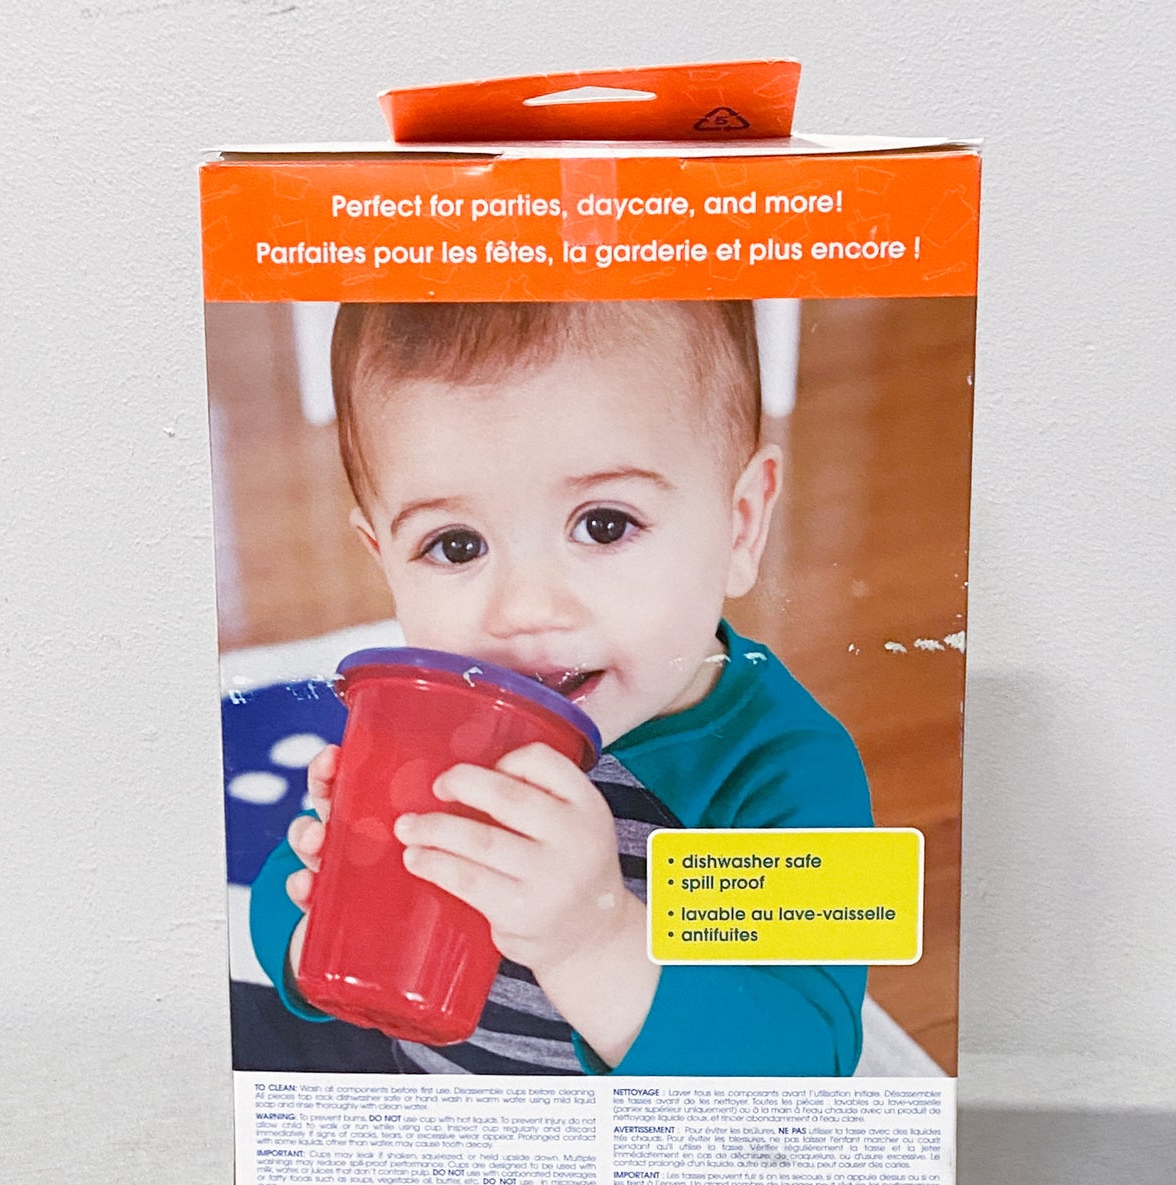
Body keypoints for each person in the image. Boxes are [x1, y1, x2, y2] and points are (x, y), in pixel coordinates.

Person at [248, 300, 872, 1076]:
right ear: (382, 558)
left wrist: (592, 939)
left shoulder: (785, 771)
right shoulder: (438, 727)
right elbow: (281, 899)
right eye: (455, 545)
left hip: (619, 1142)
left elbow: (805, 1060)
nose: (525, 608)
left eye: (603, 524)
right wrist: (326, 904)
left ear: (740, 524)